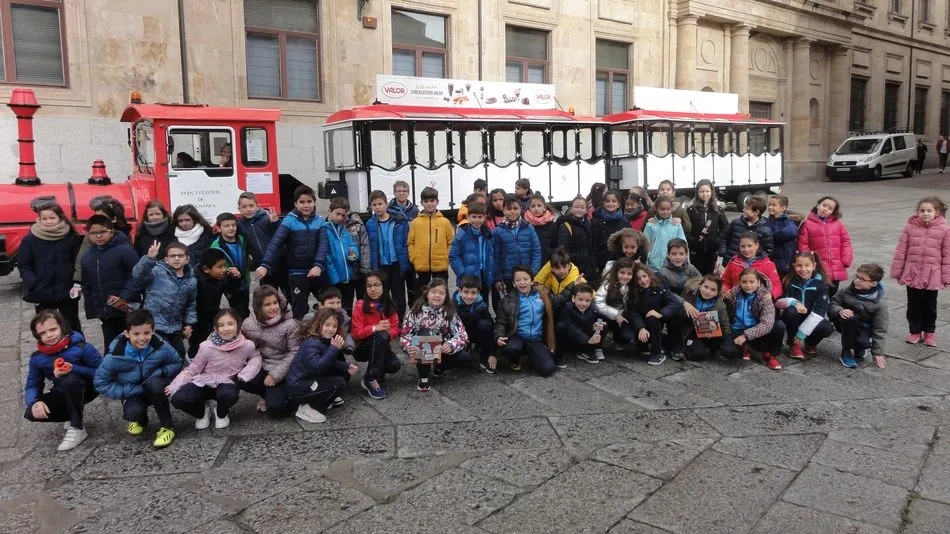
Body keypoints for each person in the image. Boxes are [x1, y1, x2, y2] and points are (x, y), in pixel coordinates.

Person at [94, 310, 180, 448]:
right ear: (127, 333)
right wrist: (126, 391)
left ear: (153, 331)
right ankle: (140, 420)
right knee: (133, 412)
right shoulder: (115, 355)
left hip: (154, 385)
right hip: (133, 391)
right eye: (136, 334)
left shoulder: (161, 345)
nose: (142, 338)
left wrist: (160, 372)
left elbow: (176, 362)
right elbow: (100, 382)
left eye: (146, 333)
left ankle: (167, 427)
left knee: (155, 384)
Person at [168, 309, 262, 430]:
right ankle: (202, 412)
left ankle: (221, 412)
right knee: (178, 399)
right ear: (215, 328)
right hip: (204, 382)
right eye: (221, 325)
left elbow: (255, 357)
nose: (226, 328)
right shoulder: (206, 346)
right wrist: (174, 385)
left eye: (230, 324)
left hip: (227, 382)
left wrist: (244, 375)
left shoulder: (246, 345)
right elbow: (192, 369)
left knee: (229, 395)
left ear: (238, 325)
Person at [24, 310, 102, 451]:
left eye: (53, 329)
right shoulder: (37, 358)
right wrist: (34, 402)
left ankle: (77, 427)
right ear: (37, 335)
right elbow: (32, 385)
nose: (49, 335)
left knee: (69, 379)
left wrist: (74, 368)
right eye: (43, 333)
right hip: (61, 391)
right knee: (31, 412)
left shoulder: (82, 347)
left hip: (89, 387)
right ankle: (72, 414)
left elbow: (103, 373)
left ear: (62, 327)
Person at [256, 185, 329, 320]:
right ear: (295, 203)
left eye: (309, 201)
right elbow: (275, 243)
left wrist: (318, 265)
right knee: (299, 311)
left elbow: (323, 245)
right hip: (297, 273)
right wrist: (265, 265)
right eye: (302, 202)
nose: (306, 205)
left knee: (328, 306)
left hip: (319, 271)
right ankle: (300, 333)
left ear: (314, 203)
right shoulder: (289, 221)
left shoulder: (320, 221)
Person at [891, 196, 950, 347]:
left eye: (929, 210)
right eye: (922, 210)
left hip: (932, 274)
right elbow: (901, 251)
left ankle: (929, 332)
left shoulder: (944, 229)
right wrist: (898, 271)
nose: (925, 213)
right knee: (913, 305)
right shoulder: (909, 228)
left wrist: (946, 276)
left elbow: (947, 254)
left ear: (937, 212)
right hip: (913, 272)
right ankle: (915, 330)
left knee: (930, 305)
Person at [18, 201, 83, 334]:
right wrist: (33, 282)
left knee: (71, 325)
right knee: (46, 328)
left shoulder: (71, 238)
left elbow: (78, 263)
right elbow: (24, 265)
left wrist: (76, 283)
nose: (48, 222)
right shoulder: (30, 240)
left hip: (67, 291)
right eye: (44, 218)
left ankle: (77, 346)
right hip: (42, 291)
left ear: (60, 217)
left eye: (52, 218)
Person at [286, 308, 357, 423]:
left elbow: (329, 361)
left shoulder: (324, 339)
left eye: (334, 326)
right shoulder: (312, 342)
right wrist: (334, 349)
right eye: (327, 325)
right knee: (339, 383)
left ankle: (321, 398)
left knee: (341, 377)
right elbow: (317, 367)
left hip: (307, 380)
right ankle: (306, 408)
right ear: (319, 324)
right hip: (299, 386)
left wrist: (346, 366)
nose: (331, 329)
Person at [79, 215, 139, 350]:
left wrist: (125, 296)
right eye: (93, 233)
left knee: (130, 340)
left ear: (111, 232)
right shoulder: (87, 255)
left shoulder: (124, 250)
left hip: (125, 307)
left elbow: (136, 276)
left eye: (102, 232)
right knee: (111, 343)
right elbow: (87, 284)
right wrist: (91, 309)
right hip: (104, 309)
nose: (98, 236)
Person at [401, 278, 470, 392]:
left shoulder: (450, 312)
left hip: (441, 347)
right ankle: (423, 376)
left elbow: (462, 334)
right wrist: (409, 346)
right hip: (421, 346)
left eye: (441, 293)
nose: (437, 295)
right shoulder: (415, 311)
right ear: (427, 294)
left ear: (445, 296)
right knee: (424, 336)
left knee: (464, 357)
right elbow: (405, 335)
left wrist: (451, 345)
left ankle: (440, 367)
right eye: (434, 292)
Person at [240, 286, 300, 416]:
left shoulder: (290, 325)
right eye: (267, 304)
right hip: (260, 365)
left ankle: (289, 394)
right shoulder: (248, 323)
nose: (273, 307)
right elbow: (243, 346)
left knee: (276, 410)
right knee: (239, 378)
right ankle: (265, 394)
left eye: (275, 302)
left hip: (282, 368)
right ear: (258, 307)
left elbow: (295, 352)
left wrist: (275, 375)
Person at [131, 241, 197, 358]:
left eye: (180, 255)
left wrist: (189, 324)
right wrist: (149, 258)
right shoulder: (157, 271)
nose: (176, 259)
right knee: (160, 356)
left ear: (187, 259)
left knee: (179, 355)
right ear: (166, 259)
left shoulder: (191, 280)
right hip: (155, 324)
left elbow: (191, 304)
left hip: (175, 326)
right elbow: (138, 275)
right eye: (172, 256)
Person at [493, 266, 556, 376]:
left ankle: (532, 355)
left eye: (525, 279)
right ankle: (516, 360)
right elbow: (500, 322)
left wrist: (574, 286)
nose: (522, 282)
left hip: (536, 338)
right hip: (518, 336)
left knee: (548, 369)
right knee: (510, 349)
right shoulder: (507, 301)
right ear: (513, 283)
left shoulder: (542, 295)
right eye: (518, 280)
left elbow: (559, 300)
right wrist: (498, 336)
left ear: (532, 281)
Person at [351, 272, 402, 400]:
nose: (373, 289)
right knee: (381, 335)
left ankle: (377, 373)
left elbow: (396, 328)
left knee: (394, 365)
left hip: (382, 345)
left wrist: (388, 332)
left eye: (377, 285)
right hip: (362, 348)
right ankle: (371, 377)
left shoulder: (389, 304)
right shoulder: (360, 305)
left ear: (383, 286)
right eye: (369, 286)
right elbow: (356, 333)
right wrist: (375, 328)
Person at [721, 269, 785, 370]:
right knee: (727, 351)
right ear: (739, 282)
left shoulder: (764, 298)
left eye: (752, 282)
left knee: (779, 326)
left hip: (756, 330)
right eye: (744, 282)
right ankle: (747, 349)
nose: (748, 285)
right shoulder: (734, 293)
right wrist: (725, 299)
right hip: (737, 329)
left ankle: (771, 355)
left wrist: (746, 335)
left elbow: (767, 324)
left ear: (758, 283)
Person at [776, 252, 834, 360]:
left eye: (807, 265)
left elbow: (819, 312)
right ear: (794, 266)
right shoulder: (788, 281)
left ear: (814, 265)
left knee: (827, 328)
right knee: (791, 312)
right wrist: (793, 302)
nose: (803, 269)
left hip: (812, 317)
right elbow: (778, 302)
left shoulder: (821, 285)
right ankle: (793, 344)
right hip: (794, 317)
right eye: (799, 265)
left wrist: (801, 333)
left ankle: (811, 343)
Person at [830, 263, 889, 369]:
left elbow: (880, 329)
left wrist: (877, 352)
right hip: (845, 323)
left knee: (862, 343)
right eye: (856, 276)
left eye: (862, 279)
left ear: (874, 283)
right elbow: (832, 304)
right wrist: (840, 310)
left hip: (864, 328)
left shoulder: (880, 304)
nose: (857, 280)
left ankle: (860, 347)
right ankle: (846, 352)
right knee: (850, 318)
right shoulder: (845, 291)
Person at [366, 190, 411, 317]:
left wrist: (406, 261)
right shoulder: (370, 224)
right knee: (382, 294)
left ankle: (400, 319)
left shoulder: (399, 221)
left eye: (380, 204)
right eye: (374, 205)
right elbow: (370, 246)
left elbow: (406, 242)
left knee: (399, 294)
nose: (377, 207)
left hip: (397, 263)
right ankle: (384, 318)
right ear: (371, 206)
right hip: (381, 265)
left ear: (386, 204)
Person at [493, 194, 541, 308]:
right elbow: (495, 256)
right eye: (509, 209)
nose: (512, 212)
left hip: (527, 275)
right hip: (508, 276)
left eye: (515, 208)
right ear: (503, 210)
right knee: (511, 306)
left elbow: (536, 251)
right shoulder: (498, 231)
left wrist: (533, 271)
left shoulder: (528, 227)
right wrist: (497, 279)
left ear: (520, 209)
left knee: (527, 305)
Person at [798, 196, 853, 296]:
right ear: (818, 205)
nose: (825, 209)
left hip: (836, 266)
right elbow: (803, 245)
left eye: (830, 208)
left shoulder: (838, 224)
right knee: (818, 293)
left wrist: (846, 259)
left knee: (832, 292)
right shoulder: (807, 224)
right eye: (824, 205)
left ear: (833, 211)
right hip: (818, 267)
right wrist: (809, 262)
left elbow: (846, 242)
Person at [629, 264, 683, 364]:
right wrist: (641, 328)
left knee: (676, 314)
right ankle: (654, 348)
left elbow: (675, 303)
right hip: (645, 323)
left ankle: (669, 349)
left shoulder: (660, 288)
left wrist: (661, 313)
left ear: (649, 275)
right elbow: (634, 313)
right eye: (639, 279)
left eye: (644, 276)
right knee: (650, 321)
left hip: (659, 318)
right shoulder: (634, 294)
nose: (643, 280)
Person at [237, 192, 287, 297]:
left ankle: (284, 304)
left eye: (251, 205)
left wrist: (276, 222)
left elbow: (282, 236)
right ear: (239, 209)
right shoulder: (240, 225)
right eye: (244, 207)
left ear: (257, 206)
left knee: (289, 294)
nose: (248, 209)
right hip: (262, 267)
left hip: (281, 264)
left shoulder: (267, 218)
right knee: (266, 296)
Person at [408, 187, 454, 291]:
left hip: (440, 267)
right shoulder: (415, 223)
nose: (429, 204)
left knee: (441, 293)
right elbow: (410, 243)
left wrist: (447, 257)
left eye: (432, 201)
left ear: (437, 202)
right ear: (421, 203)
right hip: (421, 266)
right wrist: (413, 258)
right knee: (421, 294)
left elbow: (451, 242)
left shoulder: (445, 222)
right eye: (426, 201)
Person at [211, 213, 251, 320]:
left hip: (245, 280)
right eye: (227, 226)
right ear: (219, 228)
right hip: (230, 283)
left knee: (246, 308)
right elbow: (216, 266)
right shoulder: (216, 245)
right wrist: (228, 270)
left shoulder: (242, 239)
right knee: (239, 311)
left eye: (233, 225)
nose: (231, 228)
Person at [323, 197, 361, 311]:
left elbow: (352, 245)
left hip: (347, 278)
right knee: (333, 309)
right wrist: (334, 278)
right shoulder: (324, 230)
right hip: (333, 280)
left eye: (343, 215)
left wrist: (354, 254)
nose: (340, 218)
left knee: (347, 309)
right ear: (329, 211)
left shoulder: (344, 230)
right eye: (337, 214)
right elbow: (325, 256)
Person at [449, 201, 494, 297]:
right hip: (468, 277)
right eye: (474, 217)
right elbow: (454, 256)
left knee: (483, 302)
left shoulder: (488, 235)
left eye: (480, 217)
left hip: (484, 275)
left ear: (485, 217)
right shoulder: (462, 235)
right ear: (468, 217)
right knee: (468, 301)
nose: (477, 220)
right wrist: (462, 274)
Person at [190, 248, 229, 359]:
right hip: (197, 318)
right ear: (206, 269)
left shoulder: (220, 278)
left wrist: (236, 274)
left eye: (224, 266)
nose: (224, 270)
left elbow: (232, 288)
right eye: (220, 267)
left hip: (212, 314)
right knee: (198, 343)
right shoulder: (195, 281)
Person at [681, 275, 730, 361]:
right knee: (697, 354)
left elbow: (725, 324)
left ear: (717, 292)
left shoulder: (720, 305)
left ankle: (711, 349)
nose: (708, 291)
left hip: (709, 333)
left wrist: (725, 340)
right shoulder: (690, 294)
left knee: (715, 346)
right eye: (705, 287)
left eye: (713, 290)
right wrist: (684, 303)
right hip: (689, 329)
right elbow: (675, 299)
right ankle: (684, 346)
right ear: (700, 286)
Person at [721, 232, 783, 300]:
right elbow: (725, 281)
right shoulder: (733, 262)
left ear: (757, 246)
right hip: (735, 300)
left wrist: (771, 294)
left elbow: (777, 286)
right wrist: (726, 290)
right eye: (743, 246)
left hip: (759, 301)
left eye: (749, 246)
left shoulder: (768, 264)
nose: (746, 249)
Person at [685, 179, 729, 275]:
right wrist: (692, 241)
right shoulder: (691, 210)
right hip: (696, 250)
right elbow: (686, 228)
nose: (705, 194)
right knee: (697, 274)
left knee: (710, 274)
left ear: (711, 192)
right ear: (697, 193)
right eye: (701, 191)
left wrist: (718, 240)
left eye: (707, 191)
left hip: (712, 250)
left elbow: (725, 227)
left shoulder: (717, 209)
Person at [454, 275, 496, 373]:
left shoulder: (482, 305)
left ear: (478, 293)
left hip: (476, 333)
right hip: (460, 336)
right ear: (459, 291)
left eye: (473, 293)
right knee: (462, 360)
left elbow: (492, 327)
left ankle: (484, 355)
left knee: (484, 324)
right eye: (466, 292)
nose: (469, 296)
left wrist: (492, 353)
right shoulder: (453, 305)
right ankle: (467, 349)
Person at [557, 283, 605, 366]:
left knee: (603, 326)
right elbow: (569, 326)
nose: (584, 303)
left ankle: (586, 351)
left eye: (587, 300)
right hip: (570, 339)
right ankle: (560, 355)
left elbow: (594, 321)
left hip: (583, 338)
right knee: (561, 326)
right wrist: (586, 339)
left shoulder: (593, 308)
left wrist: (596, 326)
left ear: (591, 300)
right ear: (573, 298)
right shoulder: (567, 308)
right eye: (580, 299)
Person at [595, 257, 637, 347]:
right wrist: (616, 315)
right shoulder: (607, 285)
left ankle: (618, 339)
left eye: (629, 274)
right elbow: (598, 303)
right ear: (616, 272)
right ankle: (597, 346)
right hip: (605, 315)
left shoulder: (632, 286)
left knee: (627, 337)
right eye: (622, 272)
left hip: (622, 316)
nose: (625, 276)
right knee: (600, 326)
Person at [719, 195, 774, 262]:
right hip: (730, 262)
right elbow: (724, 237)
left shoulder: (765, 231)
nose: (743, 210)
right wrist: (723, 251)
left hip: (750, 267)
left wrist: (754, 261)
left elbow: (767, 251)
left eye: (747, 209)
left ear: (756, 212)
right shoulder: (735, 223)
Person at [555, 196, 594, 281]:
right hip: (573, 266)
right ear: (571, 208)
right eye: (576, 207)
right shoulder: (565, 225)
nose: (579, 209)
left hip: (588, 266)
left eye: (582, 207)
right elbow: (563, 249)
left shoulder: (588, 222)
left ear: (586, 209)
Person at [534, 247, 584, 314]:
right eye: (557, 268)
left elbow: (591, 295)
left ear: (569, 266)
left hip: (570, 312)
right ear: (551, 268)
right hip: (556, 308)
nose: (561, 271)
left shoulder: (577, 279)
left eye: (564, 267)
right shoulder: (551, 275)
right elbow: (537, 283)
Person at [591, 189, 630, 274]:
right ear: (603, 203)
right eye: (607, 201)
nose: (610, 203)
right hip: (602, 261)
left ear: (618, 204)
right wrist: (594, 264)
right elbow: (593, 244)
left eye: (614, 201)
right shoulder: (596, 221)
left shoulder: (624, 221)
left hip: (621, 260)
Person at [644, 197, 688, 272]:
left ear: (672, 209)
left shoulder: (676, 225)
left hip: (672, 265)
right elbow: (645, 244)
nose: (665, 212)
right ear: (656, 209)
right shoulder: (650, 225)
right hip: (653, 266)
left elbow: (683, 244)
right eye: (662, 209)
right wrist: (646, 259)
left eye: (668, 209)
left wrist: (685, 261)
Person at [766, 195, 799, 278]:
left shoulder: (789, 221)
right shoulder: (767, 221)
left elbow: (791, 233)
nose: (770, 207)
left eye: (773, 205)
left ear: (783, 208)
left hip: (786, 263)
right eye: (769, 205)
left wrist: (770, 236)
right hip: (772, 262)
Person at [172, 204, 214, 268]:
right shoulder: (173, 237)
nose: (184, 223)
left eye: (187, 220)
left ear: (195, 219)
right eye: (180, 221)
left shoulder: (206, 235)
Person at [523, 193, 558, 266]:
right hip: (530, 263)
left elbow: (556, 246)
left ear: (544, 207)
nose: (536, 208)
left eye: (539, 206)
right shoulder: (524, 225)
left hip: (548, 263)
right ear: (529, 208)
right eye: (533, 206)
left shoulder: (553, 225)